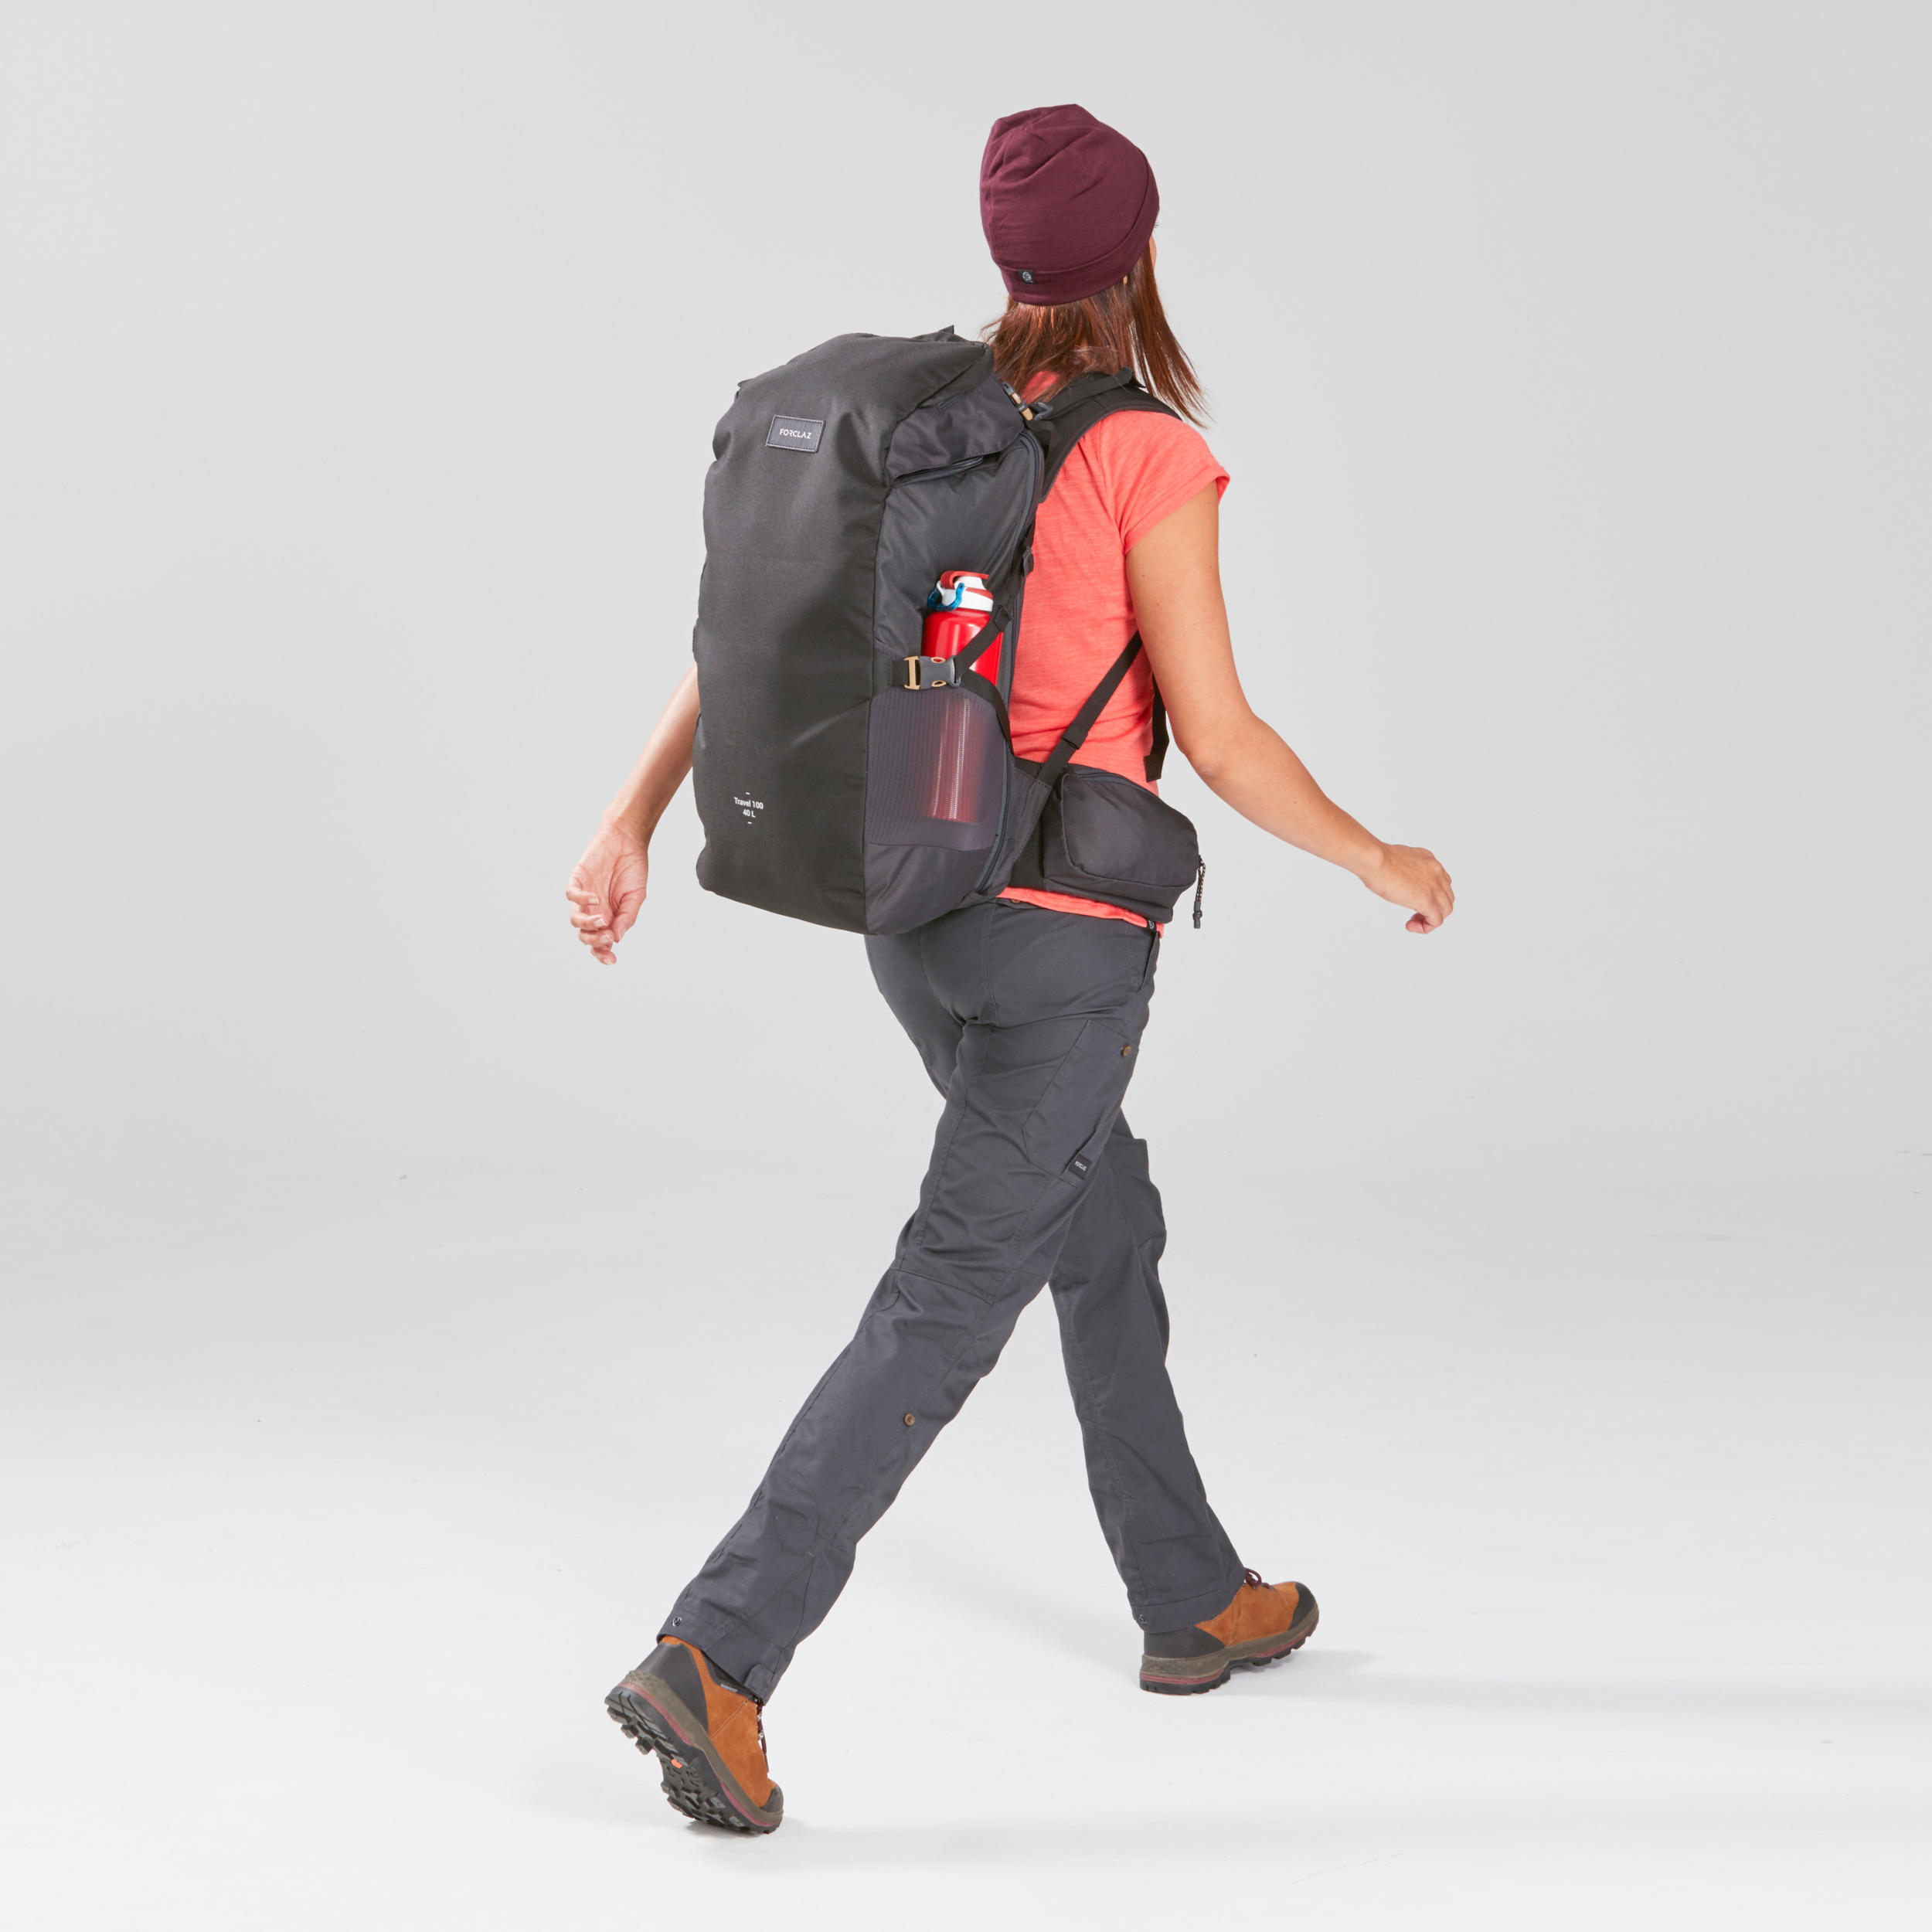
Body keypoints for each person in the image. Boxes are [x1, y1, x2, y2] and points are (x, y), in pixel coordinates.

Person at [566, 104, 1454, 1835]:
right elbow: (1219, 735)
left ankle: (1188, 1593)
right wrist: (1377, 856)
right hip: (1062, 953)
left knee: (1099, 1224)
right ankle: (717, 1652)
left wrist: (627, 821)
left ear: (1005, 256)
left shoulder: (918, 425)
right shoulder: (1146, 456)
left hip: (917, 915)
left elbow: (747, 642)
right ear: (1138, 256)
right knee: (952, 1291)